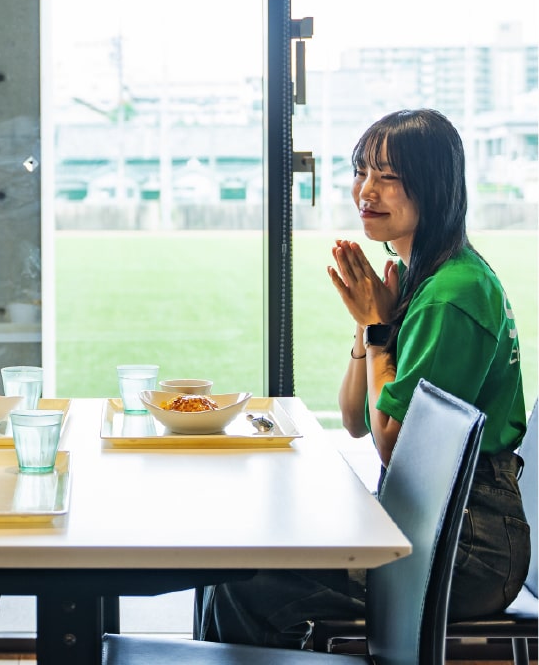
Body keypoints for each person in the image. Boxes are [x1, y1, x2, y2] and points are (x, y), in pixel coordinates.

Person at [196, 108, 530, 649]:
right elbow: (354, 420)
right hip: (433, 526)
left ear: (434, 188)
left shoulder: (452, 293)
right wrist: (366, 323)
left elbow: (396, 446)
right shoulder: (426, 278)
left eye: (388, 177)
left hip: (469, 550)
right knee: (240, 560)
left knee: (243, 579)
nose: (364, 191)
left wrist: (380, 329)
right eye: (360, 171)